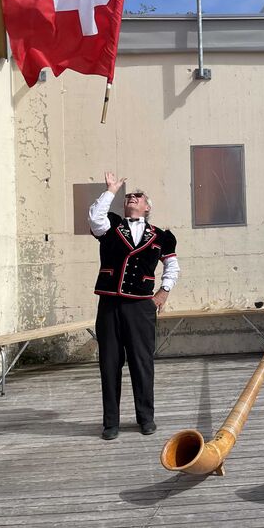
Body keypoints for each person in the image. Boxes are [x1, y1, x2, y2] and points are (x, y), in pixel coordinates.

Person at [89, 172, 179, 441]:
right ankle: (110, 423)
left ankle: (145, 418)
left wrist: (163, 293)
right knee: (110, 363)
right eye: (128, 196)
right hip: (109, 303)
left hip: (140, 307)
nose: (131, 198)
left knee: (142, 363)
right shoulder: (111, 227)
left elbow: (172, 266)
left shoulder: (162, 236)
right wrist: (111, 191)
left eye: (137, 196)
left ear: (147, 207)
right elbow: (94, 218)